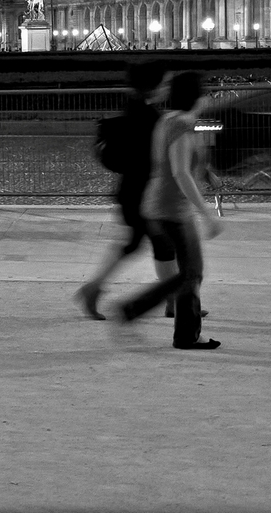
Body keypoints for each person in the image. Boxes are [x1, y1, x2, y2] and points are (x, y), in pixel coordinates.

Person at [114, 71, 223, 349]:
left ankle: (183, 332)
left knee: (187, 273)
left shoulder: (168, 120)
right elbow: (180, 173)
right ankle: (137, 310)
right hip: (172, 210)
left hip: (157, 205)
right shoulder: (182, 127)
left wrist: (206, 172)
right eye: (205, 91)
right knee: (191, 272)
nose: (208, 96)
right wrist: (207, 214)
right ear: (197, 97)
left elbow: (172, 163)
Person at [74, 61, 169, 319]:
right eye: (164, 83)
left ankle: (174, 299)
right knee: (152, 244)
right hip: (142, 192)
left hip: (134, 190)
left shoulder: (138, 108)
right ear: (153, 86)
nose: (167, 87)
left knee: (146, 244)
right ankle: (175, 299)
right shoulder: (148, 116)